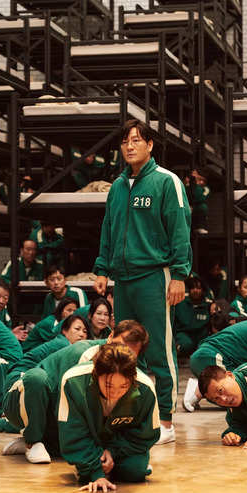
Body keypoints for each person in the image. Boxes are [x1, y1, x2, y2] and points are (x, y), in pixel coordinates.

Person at [93, 119, 192, 445]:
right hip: (123, 280)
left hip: (155, 276)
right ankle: (129, 414)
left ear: (150, 145)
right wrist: (102, 269)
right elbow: (108, 228)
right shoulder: (118, 187)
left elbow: (180, 229)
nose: (130, 146)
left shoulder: (167, 182)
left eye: (136, 140)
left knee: (160, 351)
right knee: (123, 352)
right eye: (125, 142)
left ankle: (165, 421)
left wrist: (179, 275)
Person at [1, 320, 148, 464]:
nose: (120, 356)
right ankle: (32, 441)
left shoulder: (129, 369)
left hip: (51, 412)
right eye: (118, 346)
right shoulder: (82, 353)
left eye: (129, 354)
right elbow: (65, 404)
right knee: (36, 379)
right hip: (26, 397)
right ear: (110, 337)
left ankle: (43, 441)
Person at [58, 343, 159, 492]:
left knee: (135, 471)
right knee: (87, 475)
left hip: (122, 445)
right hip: (90, 441)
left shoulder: (146, 389)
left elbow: (147, 434)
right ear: (96, 374)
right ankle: (89, 466)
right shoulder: (74, 382)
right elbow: (72, 433)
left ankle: (116, 464)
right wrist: (96, 473)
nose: (115, 393)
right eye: (109, 385)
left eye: (124, 386)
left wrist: (113, 450)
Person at [8, 314, 90, 377]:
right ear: (64, 331)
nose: (81, 334)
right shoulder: (62, 344)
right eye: (77, 329)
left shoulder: (68, 344)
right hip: (20, 374)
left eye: (85, 331)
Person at [174, 275, 211, 356]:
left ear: (202, 290)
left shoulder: (209, 305)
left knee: (204, 349)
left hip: (201, 335)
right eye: (192, 288)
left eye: (198, 288)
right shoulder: (180, 303)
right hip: (184, 334)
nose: (195, 291)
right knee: (186, 345)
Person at [185, 168, 210, 234]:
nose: (194, 176)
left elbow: (201, 197)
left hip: (197, 206)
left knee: (202, 207)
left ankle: (200, 227)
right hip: (189, 205)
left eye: (195, 174)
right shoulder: (188, 186)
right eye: (193, 174)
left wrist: (197, 185)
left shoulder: (204, 188)